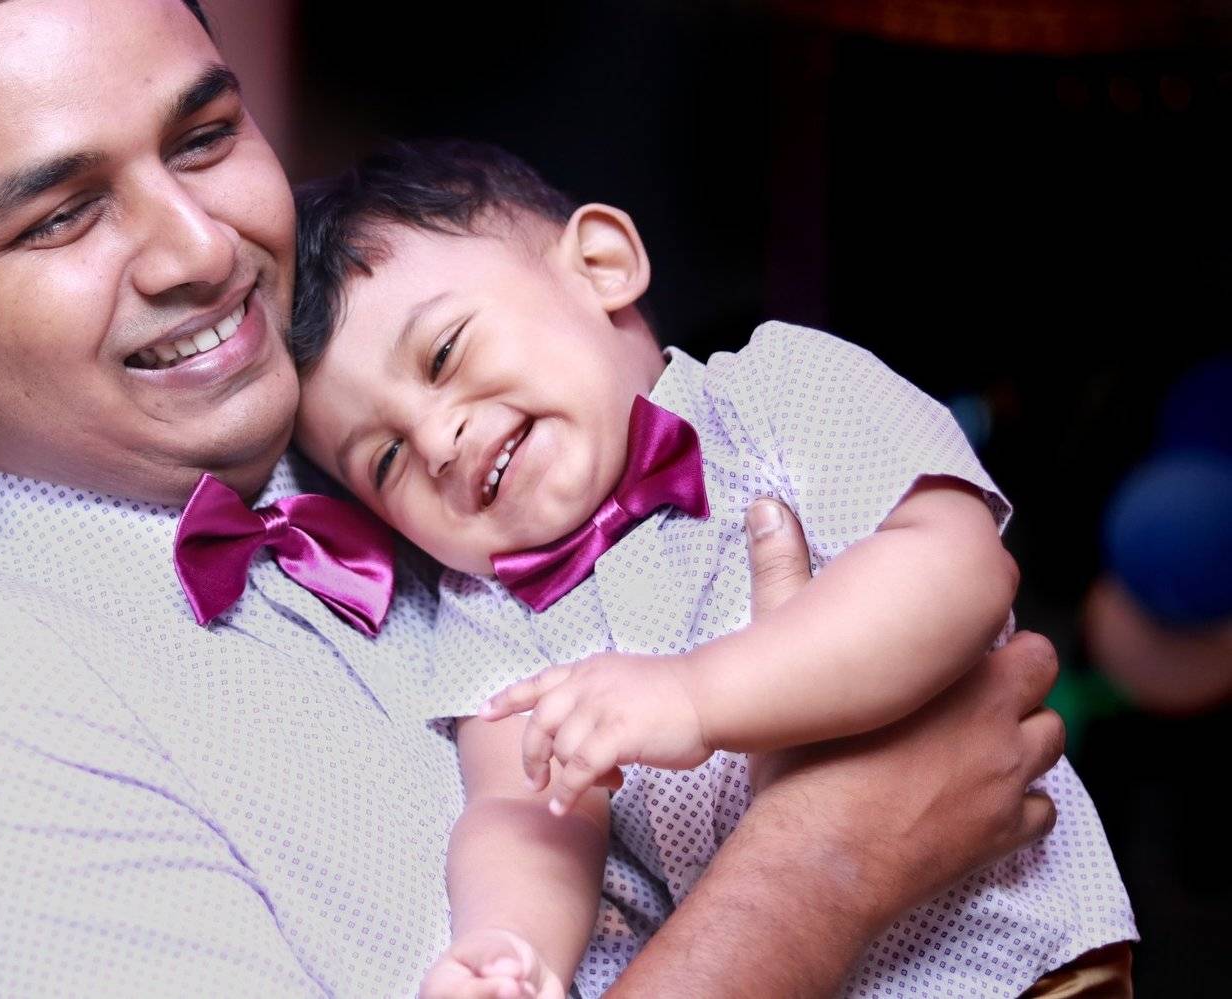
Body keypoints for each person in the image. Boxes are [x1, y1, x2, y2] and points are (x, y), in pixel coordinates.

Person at [0, 0, 1071, 994]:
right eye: (60, 215)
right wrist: (818, 876)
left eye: (205, 136)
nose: (202, 249)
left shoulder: (441, 467)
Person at [290, 142, 1136, 997]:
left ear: (600, 266)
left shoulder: (775, 394)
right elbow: (523, 807)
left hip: (1006, 947)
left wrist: (697, 694)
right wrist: (508, 940)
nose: (437, 442)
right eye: (385, 459)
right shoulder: (488, 612)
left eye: (443, 354)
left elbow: (955, 571)